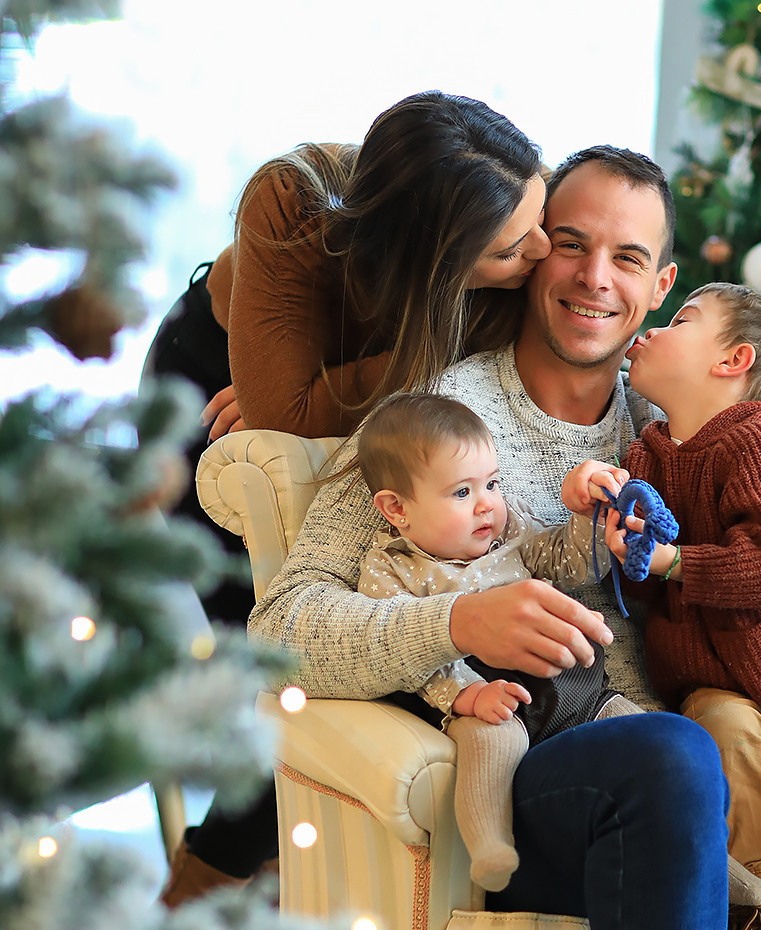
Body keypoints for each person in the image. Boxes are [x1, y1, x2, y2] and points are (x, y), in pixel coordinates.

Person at [250, 144, 761, 930]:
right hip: (557, 779)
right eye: (573, 244)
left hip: (736, 782)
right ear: (536, 252)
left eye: (629, 257)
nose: (594, 278)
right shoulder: (434, 421)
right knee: (673, 751)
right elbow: (279, 632)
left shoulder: (696, 423)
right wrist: (456, 622)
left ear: (661, 287)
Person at [146, 90, 551, 906]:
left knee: (381, 671)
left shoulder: (493, 220)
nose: (542, 250)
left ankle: (272, 877)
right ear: (439, 266)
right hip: (206, 397)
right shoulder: (293, 203)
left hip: (334, 397)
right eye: (512, 250)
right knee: (290, 691)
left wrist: (320, 389)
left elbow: (302, 400)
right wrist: (419, 348)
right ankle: (184, 901)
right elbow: (278, 418)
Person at [572, 282, 761, 928]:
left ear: (733, 361)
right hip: (728, 689)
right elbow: (639, 585)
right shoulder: (650, 455)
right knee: (722, 732)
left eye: (682, 320)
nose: (655, 328)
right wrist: (614, 526)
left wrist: (677, 561)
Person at [355, 392, 641, 891]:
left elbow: (569, 563)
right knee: (489, 743)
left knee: (654, 742)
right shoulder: (393, 570)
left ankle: (731, 875)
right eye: (462, 493)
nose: (488, 502)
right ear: (397, 508)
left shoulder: (508, 529)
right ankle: (489, 846)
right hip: (489, 701)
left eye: (492, 483)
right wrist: (468, 695)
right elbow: (408, 654)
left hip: (582, 695)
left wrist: (590, 522)